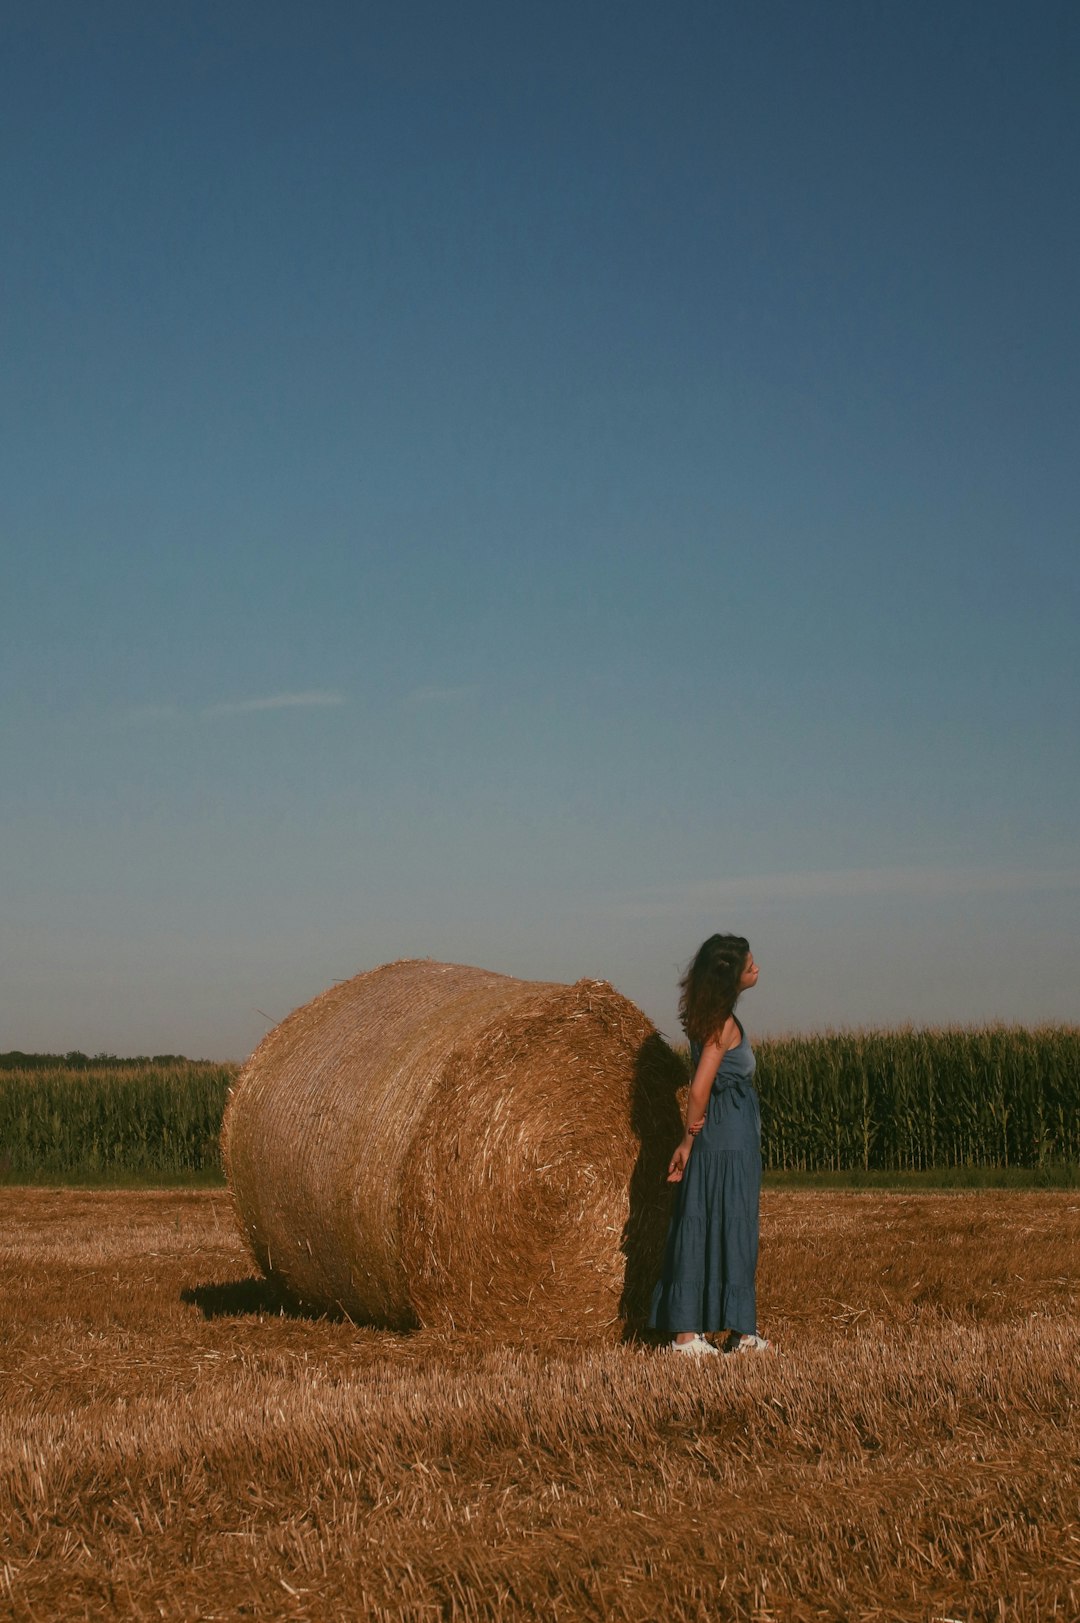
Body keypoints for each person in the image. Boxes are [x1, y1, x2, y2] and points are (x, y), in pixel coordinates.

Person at [647, 933, 772, 1357]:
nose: (756, 968)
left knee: (702, 1220)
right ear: (729, 976)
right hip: (728, 1142)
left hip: (717, 1139)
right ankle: (721, 1334)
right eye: (749, 964)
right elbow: (699, 1089)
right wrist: (686, 1140)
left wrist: (691, 1142)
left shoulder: (705, 1017)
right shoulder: (724, 1025)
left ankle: (699, 1331)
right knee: (733, 1227)